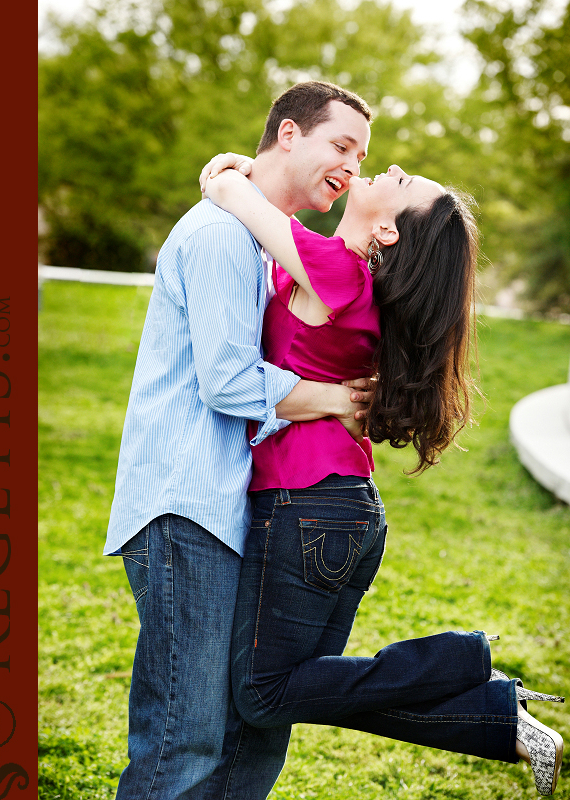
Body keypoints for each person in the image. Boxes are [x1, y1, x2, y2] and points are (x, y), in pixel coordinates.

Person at [200, 159, 565, 795]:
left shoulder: (339, 268)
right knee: (300, 690)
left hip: (306, 505)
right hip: (337, 512)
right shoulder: (348, 280)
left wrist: (227, 176)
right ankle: (494, 719)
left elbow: (242, 201)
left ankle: (465, 661)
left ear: (389, 233)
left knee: (263, 692)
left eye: (403, 182)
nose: (390, 167)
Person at [105, 81, 381, 800]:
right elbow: (227, 380)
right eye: (340, 146)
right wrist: (335, 401)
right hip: (184, 508)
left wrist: (229, 180)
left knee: (223, 730)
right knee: (183, 739)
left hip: (215, 508)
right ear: (288, 135)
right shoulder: (222, 235)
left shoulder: (252, 234)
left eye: (362, 156)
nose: (352, 167)